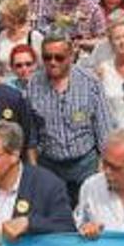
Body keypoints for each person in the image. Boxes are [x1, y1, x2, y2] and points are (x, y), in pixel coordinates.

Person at [26, 33, 113, 204]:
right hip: (50, 165)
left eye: (59, 57)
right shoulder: (33, 84)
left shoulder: (90, 82)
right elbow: (31, 134)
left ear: (71, 56)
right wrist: (35, 170)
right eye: (47, 57)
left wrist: (101, 171)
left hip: (85, 164)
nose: (52, 62)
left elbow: (104, 130)